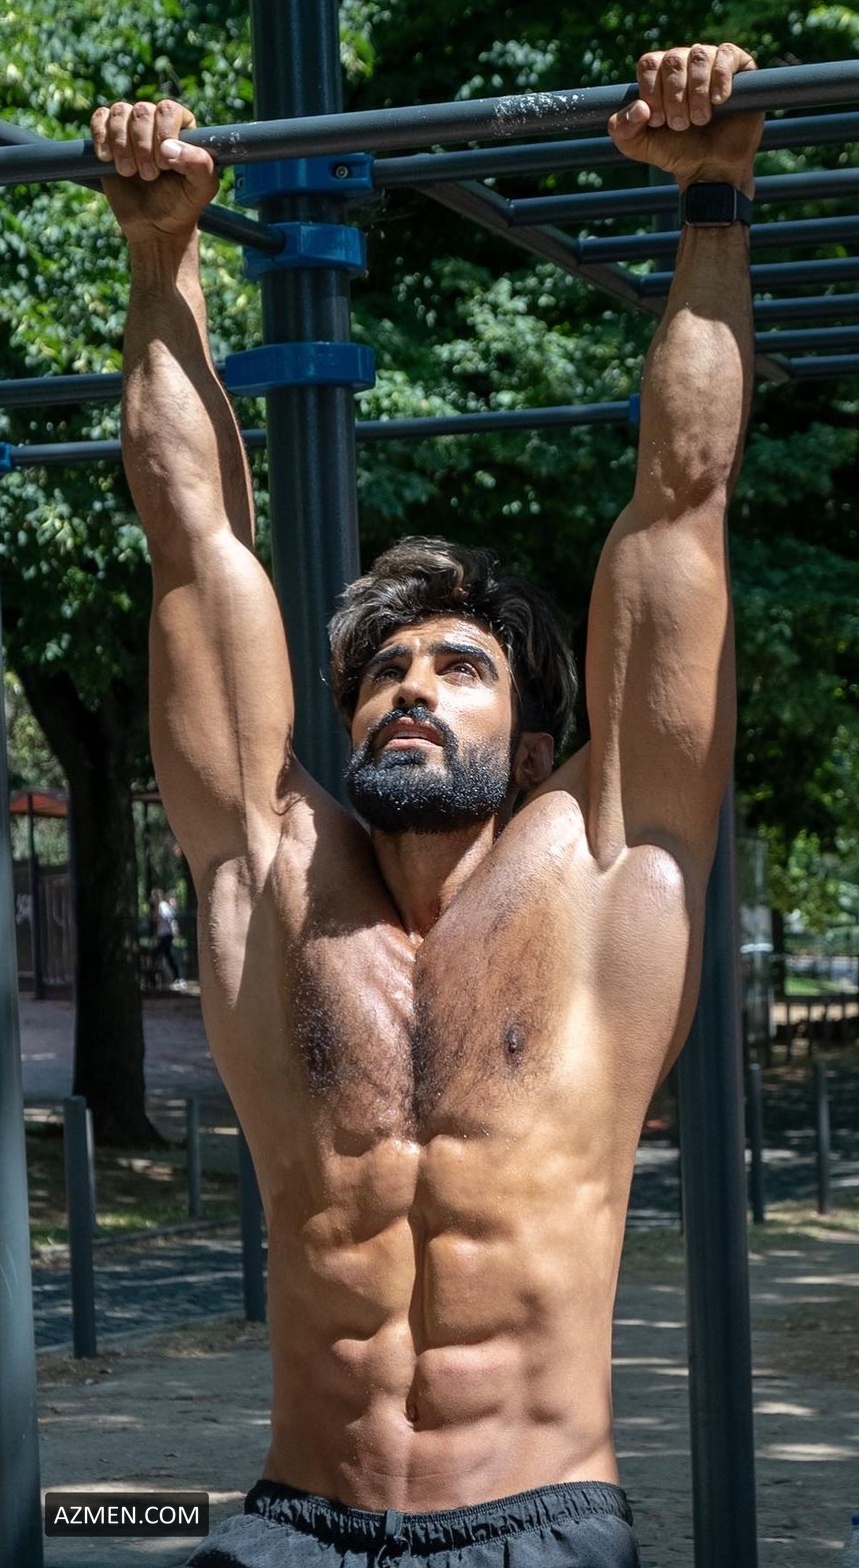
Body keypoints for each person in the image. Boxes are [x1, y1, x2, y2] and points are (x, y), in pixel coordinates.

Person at [93, 39, 762, 1568]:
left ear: (532, 749)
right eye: (384, 670)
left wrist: (714, 195)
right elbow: (193, 542)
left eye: (462, 668)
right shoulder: (275, 886)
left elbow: (681, 506)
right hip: (292, 1524)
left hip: (537, 1526)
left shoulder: (608, 877)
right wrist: (161, 251)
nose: (410, 687)